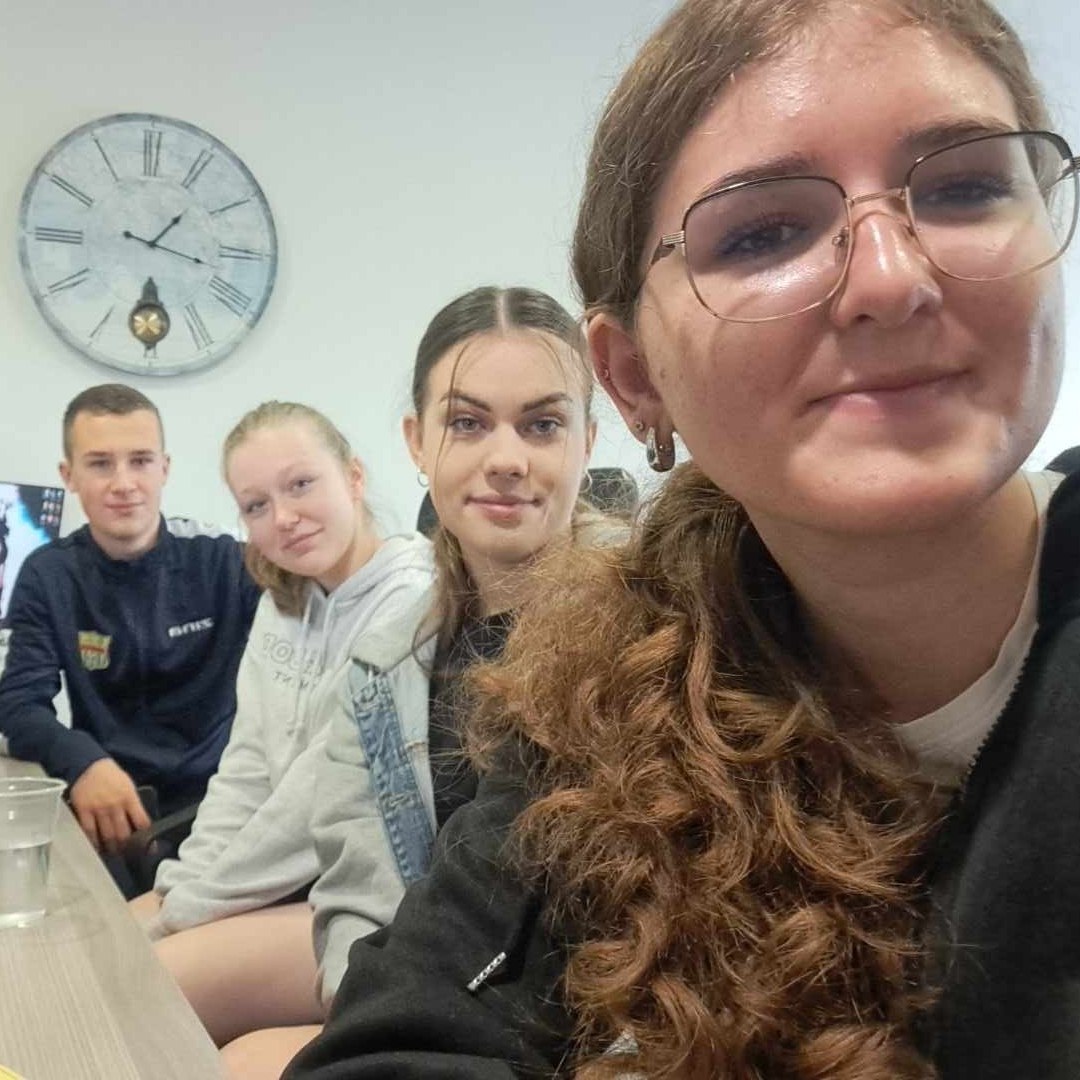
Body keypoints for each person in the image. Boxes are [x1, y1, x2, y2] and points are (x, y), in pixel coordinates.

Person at [284, 2, 1080, 1079]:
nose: (893, 278)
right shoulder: (603, 693)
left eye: (966, 187)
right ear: (634, 376)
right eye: (764, 232)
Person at [220, 286, 601, 1078]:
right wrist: (371, 1018)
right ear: (416, 443)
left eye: (542, 425)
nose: (507, 458)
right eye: (468, 423)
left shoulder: (640, 631)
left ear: (588, 442)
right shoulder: (383, 661)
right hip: (431, 993)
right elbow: (357, 887)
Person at [128, 400, 434, 1047]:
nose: (284, 517)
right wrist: (184, 881)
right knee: (100, 944)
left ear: (354, 476)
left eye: (300, 484)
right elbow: (245, 769)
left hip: (365, 896)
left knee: (137, 988)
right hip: (277, 883)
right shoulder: (285, 599)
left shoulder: (412, 601)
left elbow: (306, 808)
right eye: (257, 505)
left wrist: (189, 908)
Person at [0, 383, 259, 859]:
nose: (123, 483)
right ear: (69, 475)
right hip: (108, 811)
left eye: (140, 461)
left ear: (165, 468)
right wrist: (81, 761)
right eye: (100, 464)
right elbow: (18, 705)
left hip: (225, 813)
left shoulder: (225, 563)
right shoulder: (49, 575)